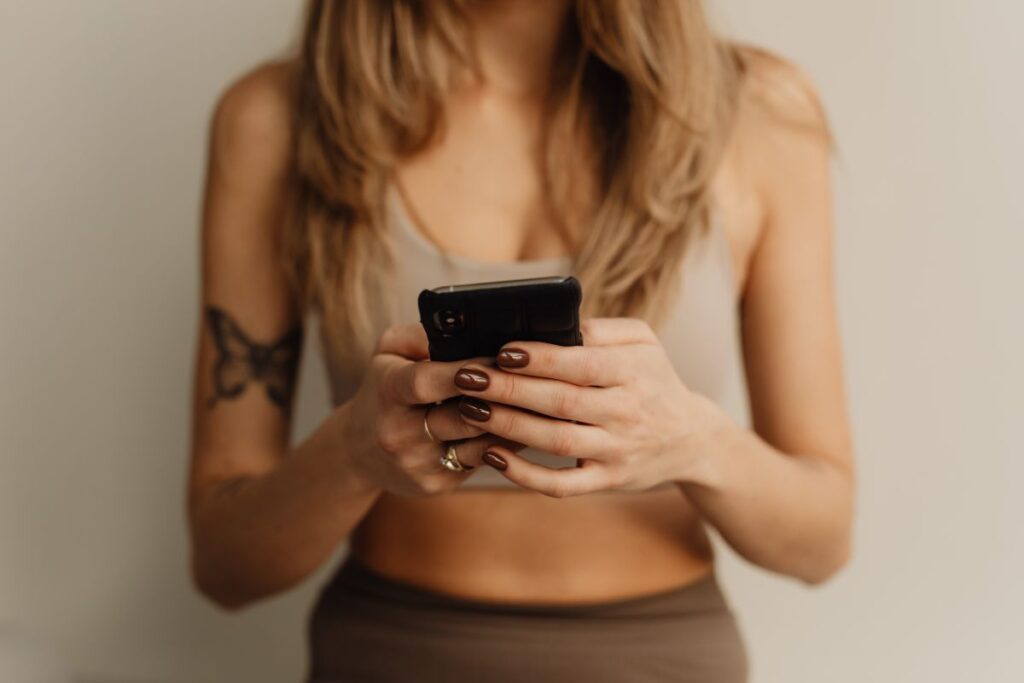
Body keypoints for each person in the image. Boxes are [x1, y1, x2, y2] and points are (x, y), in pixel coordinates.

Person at [187, 1, 855, 680]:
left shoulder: (761, 113)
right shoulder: (275, 120)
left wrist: (695, 441)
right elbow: (222, 562)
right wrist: (353, 452)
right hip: (388, 651)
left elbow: (823, 539)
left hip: (663, 655)